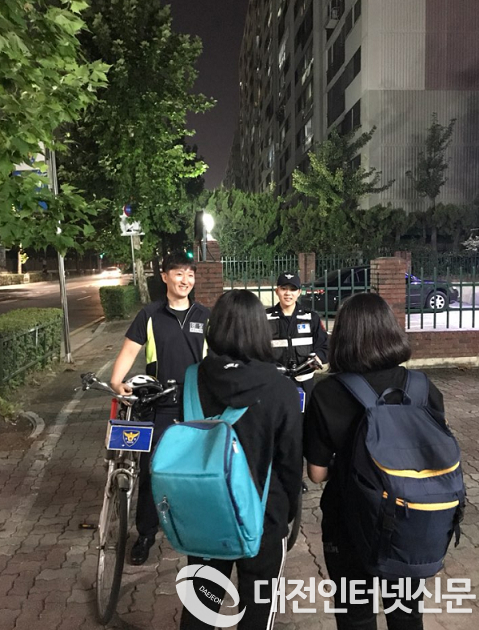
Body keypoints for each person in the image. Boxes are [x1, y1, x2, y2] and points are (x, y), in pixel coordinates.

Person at [304, 293, 446, 630]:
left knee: (356, 616)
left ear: (343, 338)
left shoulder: (327, 393)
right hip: (410, 521)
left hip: (348, 523)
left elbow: (317, 474)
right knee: (406, 613)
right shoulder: (423, 388)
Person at [179, 289, 303, 630]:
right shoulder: (281, 388)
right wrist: (285, 514)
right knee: (257, 614)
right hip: (263, 518)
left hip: (206, 515)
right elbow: (291, 463)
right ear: (260, 331)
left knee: (200, 610)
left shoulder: (192, 379)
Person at [110, 252, 209, 565]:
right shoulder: (150, 314)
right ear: (165, 277)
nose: (185, 280)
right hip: (158, 403)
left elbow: (216, 359)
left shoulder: (205, 315)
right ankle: (146, 533)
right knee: (152, 471)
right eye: (178, 274)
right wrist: (116, 381)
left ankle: (193, 528)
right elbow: (130, 350)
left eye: (190, 274)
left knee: (194, 470)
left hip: (194, 404)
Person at [266, 271, 328, 401]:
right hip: (274, 382)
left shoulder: (311, 318)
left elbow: (324, 346)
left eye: (293, 289)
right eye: (284, 289)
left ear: (299, 292)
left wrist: (318, 357)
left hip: (304, 381)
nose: (288, 293)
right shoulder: (264, 318)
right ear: (276, 291)